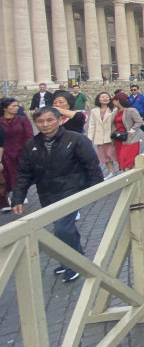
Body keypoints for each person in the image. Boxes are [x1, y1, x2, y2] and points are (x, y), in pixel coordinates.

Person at [11, 106, 104, 282]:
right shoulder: (32, 145)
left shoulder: (75, 139)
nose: (45, 124)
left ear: (60, 120)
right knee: (64, 228)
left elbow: (92, 166)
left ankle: (74, 264)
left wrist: (95, 190)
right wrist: (18, 198)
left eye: (49, 120)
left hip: (72, 191)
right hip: (47, 193)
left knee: (63, 228)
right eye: (40, 121)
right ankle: (71, 257)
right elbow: (24, 173)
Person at [1, 97, 33, 211]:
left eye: (17, 106)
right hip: (4, 153)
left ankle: (19, 194)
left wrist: (29, 150)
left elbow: (29, 136)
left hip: (20, 151)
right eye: (13, 106)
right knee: (4, 176)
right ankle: (5, 199)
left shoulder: (22, 119)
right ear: (5, 108)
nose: (16, 108)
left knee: (19, 175)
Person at [111, 92, 144, 172]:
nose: (113, 102)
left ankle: (129, 178)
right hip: (119, 138)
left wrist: (132, 130)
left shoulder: (131, 110)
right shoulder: (115, 111)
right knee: (122, 160)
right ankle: (128, 176)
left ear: (118, 101)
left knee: (127, 161)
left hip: (129, 139)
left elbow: (139, 121)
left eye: (114, 100)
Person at [87, 91, 117, 179]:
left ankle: (125, 170)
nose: (105, 99)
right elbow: (92, 125)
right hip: (100, 137)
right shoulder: (94, 111)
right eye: (102, 97)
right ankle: (112, 172)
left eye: (107, 97)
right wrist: (89, 138)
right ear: (98, 99)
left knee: (113, 154)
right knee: (104, 156)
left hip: (111, 136)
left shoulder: (114, 110)